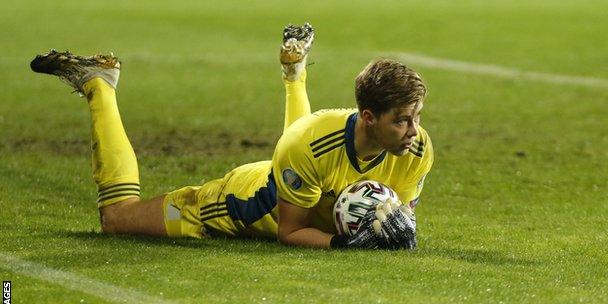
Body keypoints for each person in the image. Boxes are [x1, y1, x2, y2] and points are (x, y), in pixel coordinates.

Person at [30, 23, 433, 249]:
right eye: (402, 120)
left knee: (304, 155)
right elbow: (290, 231)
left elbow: (402, 212)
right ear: (368, 117)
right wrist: (342, 244)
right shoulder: (311, 143)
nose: (414, 132)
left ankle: (294, 73)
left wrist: (393, 227)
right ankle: (99, 86)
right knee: (116, 221)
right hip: (245, 202)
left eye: (416, 118)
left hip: (300, 169)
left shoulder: (417, 148)